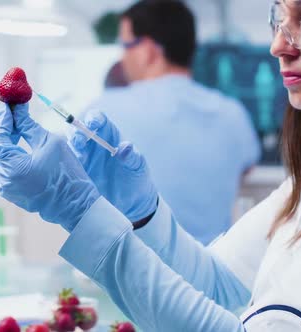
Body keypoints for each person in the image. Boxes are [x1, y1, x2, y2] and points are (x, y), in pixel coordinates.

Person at [0, 0, 301, 330]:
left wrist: (81, 214)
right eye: (278, 18)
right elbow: (218, 285)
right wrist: (143, 214)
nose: (278, 46)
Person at [86, 0, 260, 244]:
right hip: (214, 272)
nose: (122, 57)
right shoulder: (233, 114)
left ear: (147, 50)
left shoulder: (102, 113)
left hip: (133, 275)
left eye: (125, 45)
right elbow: (246, 168)